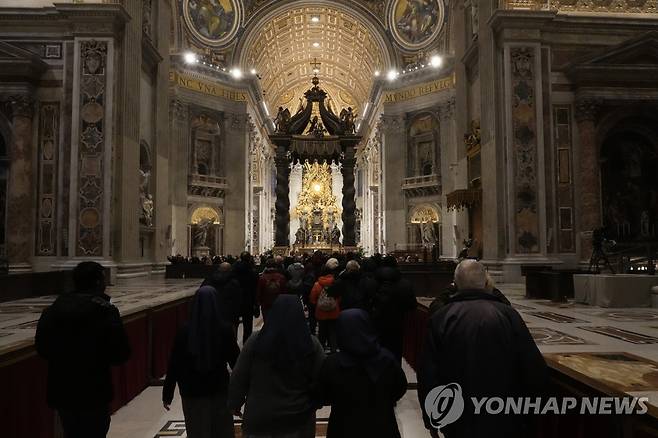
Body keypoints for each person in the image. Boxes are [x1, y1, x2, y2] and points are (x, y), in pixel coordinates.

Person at [417, 260, 547, 438]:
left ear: (455, 284)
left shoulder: (442, 317)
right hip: (503, 414)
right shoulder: (508, 314)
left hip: (458, 416)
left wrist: (431, 416)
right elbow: (532, 367)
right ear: (486, 283)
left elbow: (429, 373)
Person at [35, 261, 130, 438]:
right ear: (96, 282)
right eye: (103, 280)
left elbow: (42, 348)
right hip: (94, 389)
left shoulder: (52, 311)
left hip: (62, 388)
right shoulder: (105, 311)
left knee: (71, 432)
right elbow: (121, 353)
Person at [228, 295, 325, 438]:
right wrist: (316, 403)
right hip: (299, 419)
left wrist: (235, 403)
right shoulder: (311, 344)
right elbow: (322, 381)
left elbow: (239, 376)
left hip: (260, 417)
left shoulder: (255, 341)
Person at [315, 309, 407, 438]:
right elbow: (400, 388)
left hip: (343, 428)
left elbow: (323, 396)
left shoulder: (332, 364)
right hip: (382, 426)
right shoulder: (386, 359)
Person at [163, 286, 240, 438]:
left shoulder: (185, 331)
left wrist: (167, 394)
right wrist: (239, 395)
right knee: (221, 431)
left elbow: (174, 364)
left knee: (197, 430)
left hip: (192, 391)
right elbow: (236, 364)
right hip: (218, 389)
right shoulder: (224, 330)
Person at [370, 256, 417, 362]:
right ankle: (395, 374)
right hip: (398, 324)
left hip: (377, 323)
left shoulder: (373, 282)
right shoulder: (405, 283)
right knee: (396, 353)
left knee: (378, 352)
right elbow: (412, 305)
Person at [309, 258, 341, 353]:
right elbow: (339, 298)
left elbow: (312, 299)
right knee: (333, 332)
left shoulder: (317, 285)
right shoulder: (336, 283)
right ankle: (334, 351)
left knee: (322, 332)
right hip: (334, 312)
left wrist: (318, 305)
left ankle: (321, 352)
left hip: (321, 313)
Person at [202, 262, 242, 331]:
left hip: (213, 315)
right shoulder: (234, 283)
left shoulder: (209, 280)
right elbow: (238, 301)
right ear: (230, 270)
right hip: (230, 316)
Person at [233, 252, 259, 344]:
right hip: (248, 300)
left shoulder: (234, 270)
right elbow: (256, 288)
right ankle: (247, 344)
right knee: (248, 325)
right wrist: (256, 303)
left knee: (234, 323)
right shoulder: (253, 271)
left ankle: (233, 343)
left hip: (236, 300)